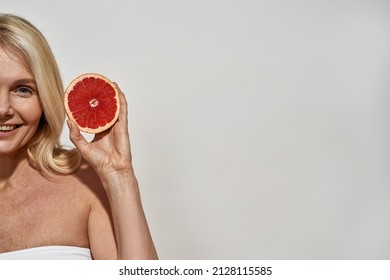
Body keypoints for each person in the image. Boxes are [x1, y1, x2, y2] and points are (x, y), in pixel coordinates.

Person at [0, 13, 158, 260]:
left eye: (23, 90)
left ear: (44, 98)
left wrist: (119, 177)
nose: (3, 109)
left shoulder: (85, 183)